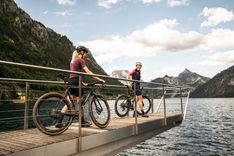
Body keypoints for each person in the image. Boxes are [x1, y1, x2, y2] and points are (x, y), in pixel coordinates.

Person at [55, 45, 105, 128]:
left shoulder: (73, 60)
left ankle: (59, 121)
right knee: (80, 102)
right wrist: (100, 79)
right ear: (82, 52)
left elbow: (75, 73)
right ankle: (82, 122)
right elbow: (88, 72)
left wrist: (82, 83)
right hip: (76, 82)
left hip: (71, 81)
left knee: (69, 102)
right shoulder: (80, 60)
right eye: (86, 54)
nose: (86, 56)